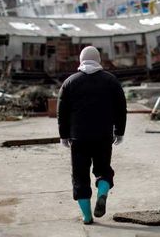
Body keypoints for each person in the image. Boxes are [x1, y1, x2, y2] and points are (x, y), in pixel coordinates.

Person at [57, 46, 127, 224]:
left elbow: (62, 112)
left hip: (78, 138)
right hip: (103, 136)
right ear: (99, 60)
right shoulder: (111, 81)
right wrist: (119, 131)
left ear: (80, 60)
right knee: (103, 170)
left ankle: (87, 217)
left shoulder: (70, 82)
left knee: (80, 177)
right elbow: (121, 108)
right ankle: (102, 194)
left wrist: (63, 135)